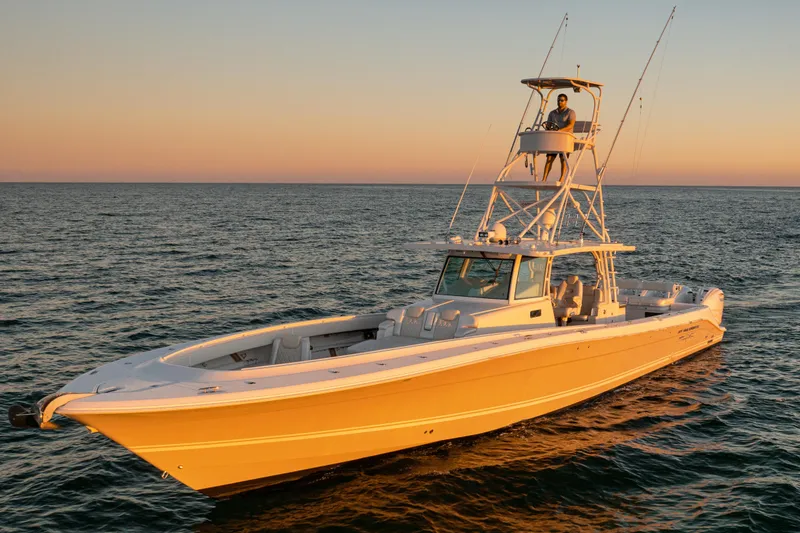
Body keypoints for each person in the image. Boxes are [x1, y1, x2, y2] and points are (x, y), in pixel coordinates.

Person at [541, 93, 576, 183]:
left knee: (563, 159)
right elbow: (548, 125)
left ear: (566, 101)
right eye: (558, 100)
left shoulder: (570, 112)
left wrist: (560, 131)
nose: (559, 102)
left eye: (561, 100)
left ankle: (561, 178)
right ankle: (544, 179)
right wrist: (549, 129)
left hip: (565, 138)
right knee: (549, 158)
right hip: (554, 138)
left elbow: (571, 125)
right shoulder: (552, 113)